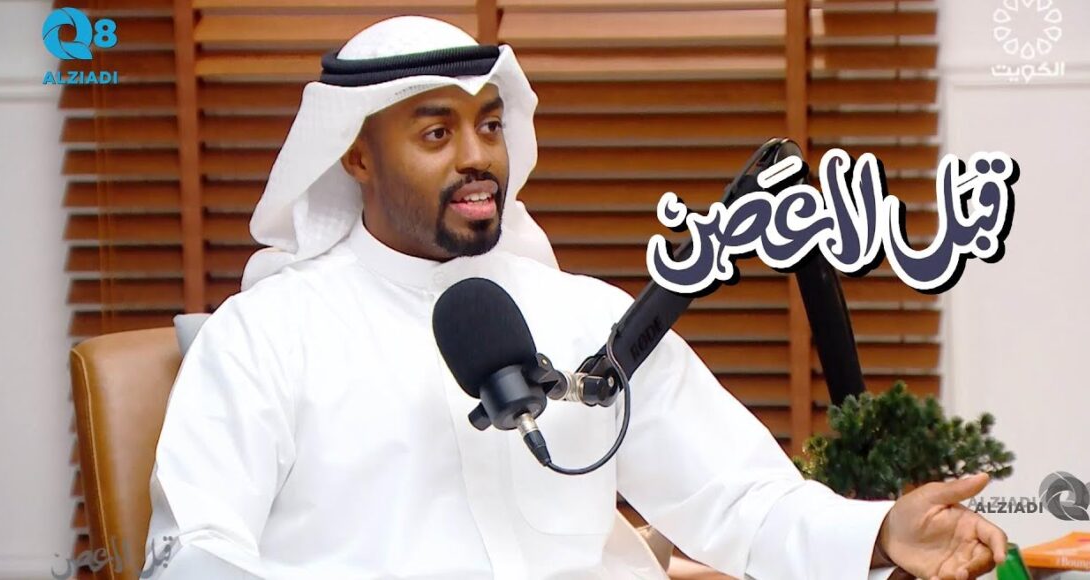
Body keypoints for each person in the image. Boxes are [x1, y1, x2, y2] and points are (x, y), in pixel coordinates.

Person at [145, 15, 1008, 580]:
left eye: (490, 125)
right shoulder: (267, 337)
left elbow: (739, 499)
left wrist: (880, 534)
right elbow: (199, 549)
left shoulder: (589, 321)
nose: (477, 157)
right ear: (357, 155)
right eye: (437, 132)